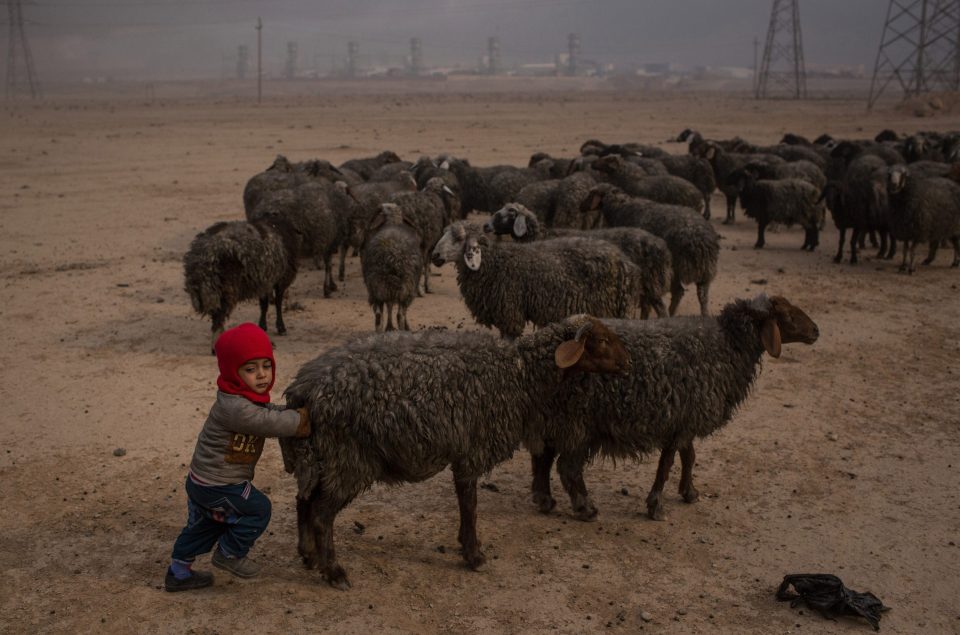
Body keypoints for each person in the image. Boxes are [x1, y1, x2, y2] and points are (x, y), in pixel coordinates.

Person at [164, 322, 310, 592]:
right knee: (258, 509)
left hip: (205, 481)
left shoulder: (245, 398)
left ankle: (178, 573)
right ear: (233, 371)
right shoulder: (235, 407)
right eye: (250, 369)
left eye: (266, 366)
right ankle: (229, 554)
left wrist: (287, 411)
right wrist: (302, 420)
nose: (262, 375)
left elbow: (268, 413)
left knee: (208, 524)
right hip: (219, 483)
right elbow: (268, 422)